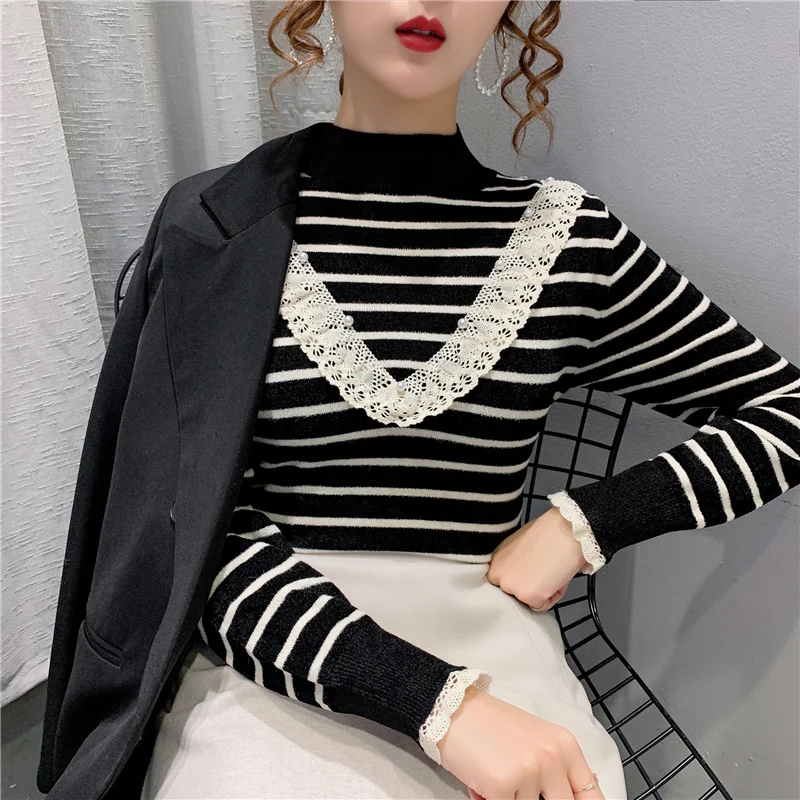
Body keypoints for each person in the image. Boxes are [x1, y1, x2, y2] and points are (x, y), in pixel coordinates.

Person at [36, 2, 799, 800]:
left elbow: (787, 411)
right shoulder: (217, 228)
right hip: (263, 656)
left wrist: (586, 525)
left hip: (498, 654)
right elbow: (177, 537)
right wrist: (437, 706)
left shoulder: (568, 241)